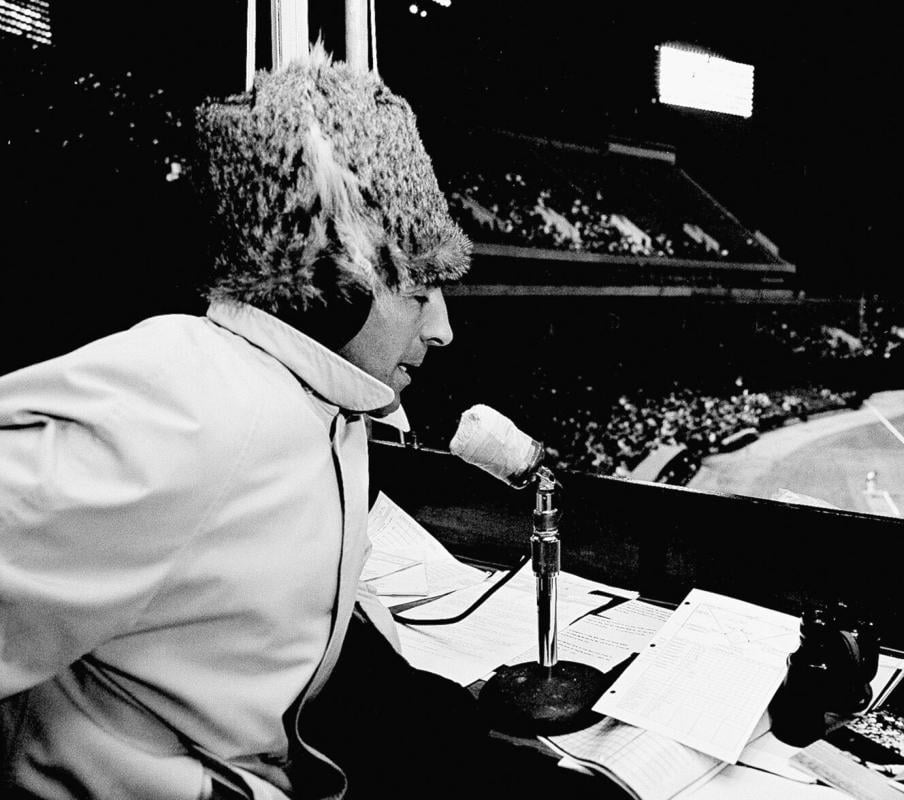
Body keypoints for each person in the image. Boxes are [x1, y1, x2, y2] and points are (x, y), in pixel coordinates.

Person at [0, 44, 551, 799]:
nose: (443, 329)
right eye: (419, 290)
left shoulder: (335, 404)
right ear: (337, 282)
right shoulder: (181, 400)